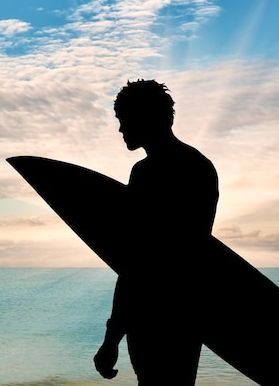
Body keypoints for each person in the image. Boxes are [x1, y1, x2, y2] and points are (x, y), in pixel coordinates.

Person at [93, 79, 219, 385]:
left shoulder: (149, 173)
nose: (121, 129)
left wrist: (112, 339)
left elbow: (137, 259)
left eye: (125, 120)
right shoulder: (201, 166)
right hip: (187, 313)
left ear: (148, 117)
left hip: (157, 315)